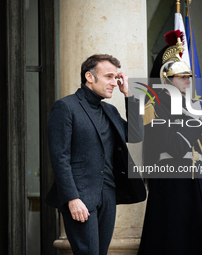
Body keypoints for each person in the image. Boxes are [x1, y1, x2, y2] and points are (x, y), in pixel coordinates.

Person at [45, 54, 146, 255]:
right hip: (80, 196)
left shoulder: (109, 110)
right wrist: (72, 198)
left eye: (116, 78)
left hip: (108, 194)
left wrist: (128, 95)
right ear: (90, 77)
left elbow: (135, 134)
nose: (114, 83)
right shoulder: (66, 107)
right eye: (109, 77)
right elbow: (60, 158)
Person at [138, 31, 202, 255]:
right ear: (166, 79)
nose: (188, 80)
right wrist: (195, 122)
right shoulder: (154, 107)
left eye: (189, 76)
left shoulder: (189, 106)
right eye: (182, 76)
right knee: (173, 244)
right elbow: (175, 147)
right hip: (172, 185)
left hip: (196, 183)